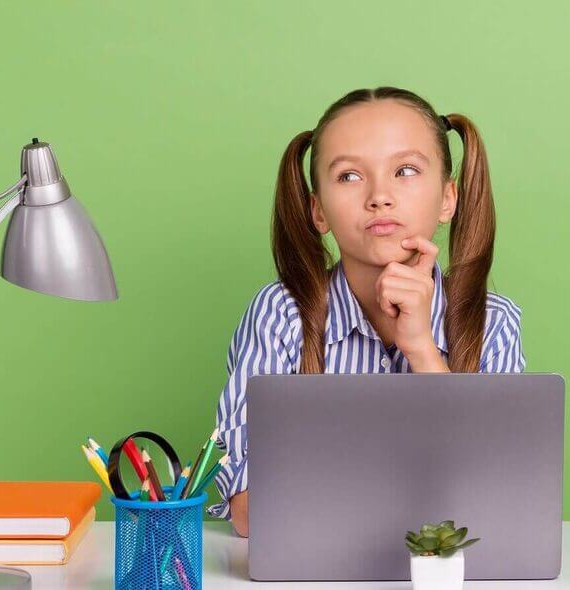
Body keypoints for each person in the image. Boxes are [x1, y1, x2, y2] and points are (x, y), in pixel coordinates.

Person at [210, 86, 526, 537]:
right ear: (318, 212)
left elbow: (495, 504)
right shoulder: (280, 315)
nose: (380, 196)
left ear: (447, 199)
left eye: (406, 170)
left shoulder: (493, 322)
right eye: (349, 177)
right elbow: (250, 509)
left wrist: (422, 351)